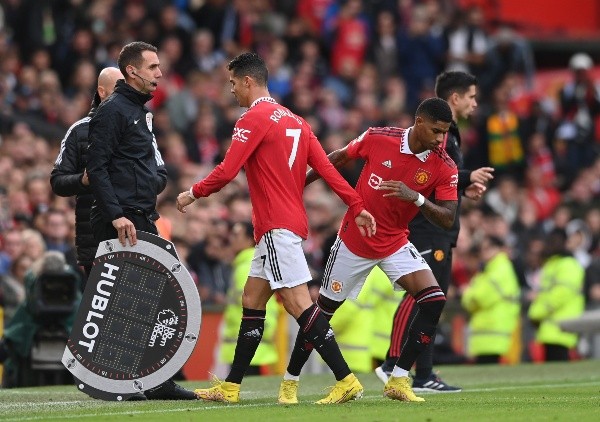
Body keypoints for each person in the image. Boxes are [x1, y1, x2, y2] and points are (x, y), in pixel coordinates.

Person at [176, 52, 376, 404]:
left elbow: (226, 171)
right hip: (290, 224)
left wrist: (193, 193)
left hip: (274, 227)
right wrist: (356, 205)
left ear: (249, 81)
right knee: (252, 300)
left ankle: (345, 378)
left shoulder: (252, 118)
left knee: (300, 304)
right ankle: (232, 385)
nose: (232, 90)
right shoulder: (297, 121)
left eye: (234, 83)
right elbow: (329, 171)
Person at [279, 97, 459, 403]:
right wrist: (298, 188)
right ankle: (290, 383)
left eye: (445, 133)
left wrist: (415, 197)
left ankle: (399, 379)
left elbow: (448, 217)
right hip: (354, 242)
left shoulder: (443, 164)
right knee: (321, 313)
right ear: (418, 123)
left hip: (395, 243)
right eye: (436, 131)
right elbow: (335, 158)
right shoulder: (379, 138)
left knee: (434, 301)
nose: (441, 139)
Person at [86, 41, 195, 401]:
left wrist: (153, 183)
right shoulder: (112, 110)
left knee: (156, 297)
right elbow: (97, 168)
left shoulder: (139, 111)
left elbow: (139, 164)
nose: (159, 74)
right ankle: (125, 379)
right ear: (132, 71)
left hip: (142, 214)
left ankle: (154, 379)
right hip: (123, 219)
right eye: (152, 67)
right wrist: (116, 215)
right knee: (128, 301)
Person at [376, 71, 494, 392]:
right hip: (427, 227)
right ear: (454, 98)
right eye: (470, 96)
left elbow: (441, 179)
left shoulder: (448, 135)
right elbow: (425, 172)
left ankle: (422, 372)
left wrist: (462, 186)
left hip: (439, 226)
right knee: (425, 294)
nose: (474, 103)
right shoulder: (436, 135)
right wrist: (466, 178)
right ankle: (395, 364)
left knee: (433, 297)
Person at [50, 67, 124, 279]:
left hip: (135, 239)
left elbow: (160, 177)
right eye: (119, 90)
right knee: (98, 310)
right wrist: (82, 180)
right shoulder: (79, 131)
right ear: (102, 92)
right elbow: (57, 181)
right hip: (94, 242)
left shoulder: (141, 129)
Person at [220, 221, 279, 375]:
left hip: (247, 343)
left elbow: (251, 304)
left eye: (236, 235)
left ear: (250, 239)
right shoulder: (248, 263)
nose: (231, 239)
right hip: (253, 342)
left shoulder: (246, 267)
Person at [461, 235, 521, 364]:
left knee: (487, 371)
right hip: (489, 330)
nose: (484, 251)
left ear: (499, 249)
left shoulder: (499, 268)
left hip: (492, 329)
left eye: (488, 248)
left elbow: (479, 298)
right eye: (482, 248)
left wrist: (467, 294)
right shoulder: (490, 269)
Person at [528, 228, 585, 361]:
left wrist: (536, 312)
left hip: (562, 328)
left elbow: (561, 294)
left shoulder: (568, 264)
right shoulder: (552, 264)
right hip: (551, 328)